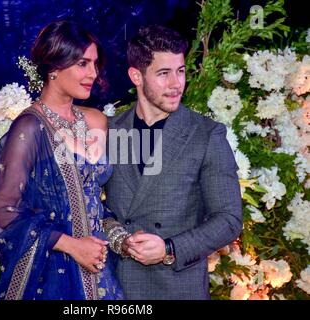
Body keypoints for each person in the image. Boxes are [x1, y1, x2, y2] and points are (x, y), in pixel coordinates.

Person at [104, 24, 243, 299]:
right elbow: (91, 203)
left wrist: (169, 249)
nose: (176, 84)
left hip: (178, 288)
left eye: (180, 71)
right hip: (118, 286)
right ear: (136, 76)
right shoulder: (110, 130)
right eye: (164, 73)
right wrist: (117, 235)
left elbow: (229, 219)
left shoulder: (207, 134)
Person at [0, 20, 124, 300]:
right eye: (83, 64)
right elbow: (2, 209)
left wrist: (120, 235)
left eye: (95, 64)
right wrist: (72, 246)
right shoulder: (29, 128)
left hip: (100, 269)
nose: (93, 74)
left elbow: (94, 201)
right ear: (54, 67)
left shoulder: (96, 121)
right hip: (54, 274)